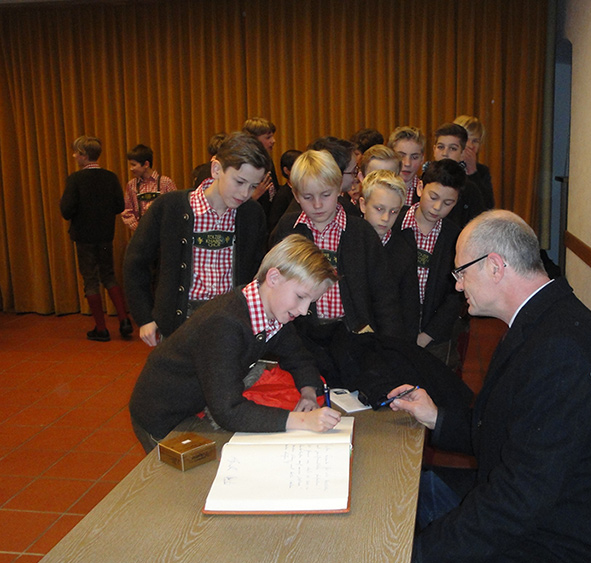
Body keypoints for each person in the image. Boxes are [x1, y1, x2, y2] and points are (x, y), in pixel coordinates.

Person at [389, 210, 591, 563]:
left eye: (461, 273)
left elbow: (516, 501)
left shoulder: (561, 351)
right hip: (540, 513)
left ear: (495, 266)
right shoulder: (543, 319)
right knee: (411, 490)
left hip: (568, 550)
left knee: (401, 540)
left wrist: (418, 561)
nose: (458, 286)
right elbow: (508, 430)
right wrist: (436, 416)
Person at [129, 234, 342, 454]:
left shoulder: (274, 314)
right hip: (161, 414)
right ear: (274, 278)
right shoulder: (225, 324)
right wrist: (303, 421)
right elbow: (228, 411)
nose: (303, 310)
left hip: (197, 403)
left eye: (311, 302)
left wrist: (308, 392)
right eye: (300, 296)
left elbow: (298, 356)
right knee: (177, 481)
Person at [270, 149, 402, 385]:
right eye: (308, 197)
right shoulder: (288, 228)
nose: (318, 204)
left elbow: (384, 296)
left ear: (339, 186)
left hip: (352, 336)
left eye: (326, 194)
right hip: (302, 337)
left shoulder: (361, 233)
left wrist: (390, 347)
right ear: (295, 194)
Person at [124, 131, 269, 346]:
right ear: (217, 169)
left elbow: (259, 271)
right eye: (239, 181)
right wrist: (145, 317)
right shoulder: (169, 207)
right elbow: (135, 263)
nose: (245, 193)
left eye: (253, 186)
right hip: (179, 320)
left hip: (231, 320)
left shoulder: (252, 214)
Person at [60, 136, 134, 342]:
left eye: (76, 152)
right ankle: (124, 320)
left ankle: (101, 328)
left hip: (84, 237)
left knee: (90, 279)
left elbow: (66, 211)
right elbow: (120, 206)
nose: (74, 156)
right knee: (109, 275)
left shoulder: (75, 179)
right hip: (105, 235)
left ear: (84, 155)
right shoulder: (110, 177)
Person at [393, 159, 464, 367]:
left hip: (435, 334)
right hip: (396, 326)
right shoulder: (394, 225)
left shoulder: (455, 238)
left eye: (448, 203)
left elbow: (455, 294)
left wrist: (428, 335)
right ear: (420, 187)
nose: (437, 207)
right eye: (433, 197)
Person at [359, 170, 415, 335]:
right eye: (379, 209)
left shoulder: (404, 251)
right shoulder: (346, 241)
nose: (385, 218)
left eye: (393, 212)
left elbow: (409, 309)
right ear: (363, 205)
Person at [429, 123, 486, 229]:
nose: (445, 153)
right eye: (440, 147)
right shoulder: (422, 183)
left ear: (462, 153)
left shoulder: (471, 190)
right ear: (434, 150)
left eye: (453, 148)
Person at [120, 144, 177, 231]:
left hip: (163, 233)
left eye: (134, 165)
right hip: (141, 234)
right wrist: (139, 228)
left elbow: (175, 207)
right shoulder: (131, 185)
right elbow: (127, 212)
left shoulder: (165, 182)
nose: (131, 169)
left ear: (146, 164)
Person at [453, 115, 494, 209]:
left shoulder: (482, 171)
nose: (470, 145)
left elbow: (488, 207)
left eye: (475, 141)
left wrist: (472, 172)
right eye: (466, 139)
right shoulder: (442, 168)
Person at [243, 116, 280, 219]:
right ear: (253, 139)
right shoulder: (244, 164)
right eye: (268, 137)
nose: (273, 141)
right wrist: (253, 197)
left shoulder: (267, 160)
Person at [388, 126, 426, 207]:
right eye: (401, 156)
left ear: (422, 159)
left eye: (414, 157)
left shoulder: (426, 193)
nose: (407, 163)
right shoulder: (379, 188)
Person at [268, 148, 302, 231]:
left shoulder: (306, 190)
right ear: (286, 170)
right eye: (298, 167)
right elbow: (275, 226)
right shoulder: (282, 195)